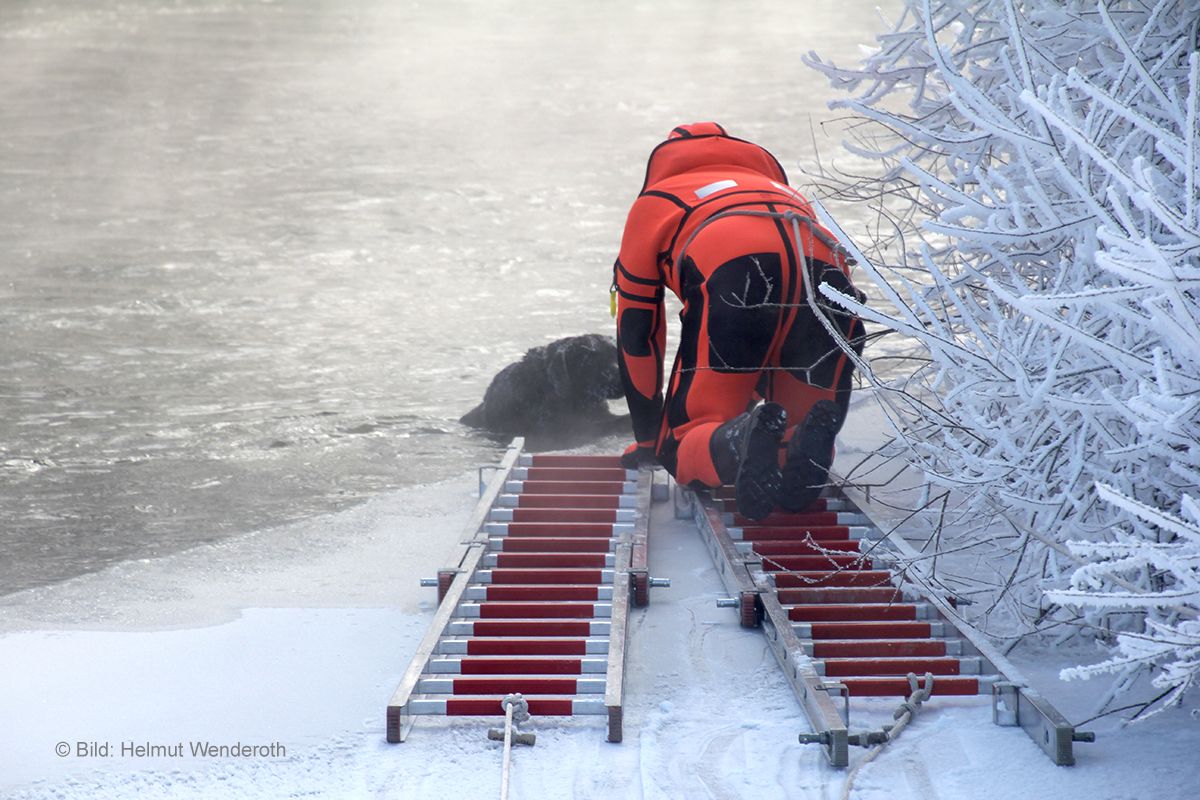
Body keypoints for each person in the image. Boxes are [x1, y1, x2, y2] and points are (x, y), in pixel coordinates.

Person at [613, 122, 865, 520]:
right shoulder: (786, 193)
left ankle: (737, 438)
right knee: (790, 430)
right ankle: (806, 442)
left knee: (682, 444)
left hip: (736, 272)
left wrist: (648, 439)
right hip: (826, 274)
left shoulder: (654, 202)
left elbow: (637, 335)